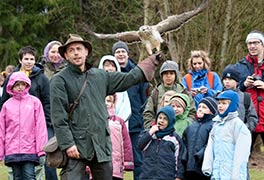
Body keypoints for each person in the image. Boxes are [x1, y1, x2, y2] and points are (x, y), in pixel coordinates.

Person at [50, 34, 161, 180]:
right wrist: (68, 144)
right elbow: (58, 117)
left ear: (86, 52)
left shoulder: (100, 76)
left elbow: (128, 78)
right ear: (65, 55)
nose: (76, 53)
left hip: (100, 144)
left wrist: (151, 62)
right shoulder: (59, 80)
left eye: (79, 49)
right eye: (71, 50)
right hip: (76, 145)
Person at [0, 45, 50, 180]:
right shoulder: (7, 104)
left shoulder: (41, 81)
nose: (29, 61)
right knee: (16, 176)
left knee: (31, 174)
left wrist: (41, 146)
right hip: (13, 146)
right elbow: (2, 127)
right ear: (20, 60)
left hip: (31, 141)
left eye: (31, 59)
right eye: (26, 58)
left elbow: (47, 104)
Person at [112, 40, 149, 180]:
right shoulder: (110, 74)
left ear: (127, 54)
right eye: (118, 52)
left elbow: (144, 99)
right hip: (113, 125)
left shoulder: (138, 74)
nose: (121, 54)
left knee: (137, 159)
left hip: (135, 124)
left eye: (123, 51)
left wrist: (141, 118)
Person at [202, 90, 251, 180]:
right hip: (217, 174)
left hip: (231, 175)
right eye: (219, 103)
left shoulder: (239, 126)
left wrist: (237, 177)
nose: (220, 106)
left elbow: (241, 156)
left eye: (224, 103)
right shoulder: (216, 124)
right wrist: (207, 167)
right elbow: (210, 147)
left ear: (232, 105)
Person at [233, 30, 264, 163]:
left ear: (262, 44)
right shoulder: (240, 66)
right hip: (248, 117)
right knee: (242, 158)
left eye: (255, 43)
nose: (252, 46)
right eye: (249, 43)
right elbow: (232, 90)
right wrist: (243, 84)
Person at [40, 40, 68, 180]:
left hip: (67, 117)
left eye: (58, 52)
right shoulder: (40, 70)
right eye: (52, 52)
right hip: (47, 119)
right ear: (47, 53)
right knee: (50, 153)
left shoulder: (68, 69)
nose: (55, 55)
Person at [143, 60, 196, 129]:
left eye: (171, 73)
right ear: (161, 75)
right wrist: (152, 127)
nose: (168, 76)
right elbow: (148, 113)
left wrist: (186, 124)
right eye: (165, 73)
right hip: (160, 129)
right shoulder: (156, 93)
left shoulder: (183, 91)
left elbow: (192, 112)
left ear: (176, 75)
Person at [137, 105, 185, 180]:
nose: (161, 121)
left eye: (165, 119)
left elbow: (179, 160)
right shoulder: (150, 134)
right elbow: (140, 145)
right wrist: (150, 133)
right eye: (160, 118)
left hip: (166, 176)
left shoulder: (174, 139)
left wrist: (178, 176)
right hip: (147, 175)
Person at [182, 97, 218, 180]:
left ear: (212, 111)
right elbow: (185, 143)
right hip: (188, 168)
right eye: (199, 107)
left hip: (203, 168)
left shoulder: (213, 126)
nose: (200, 109)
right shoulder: (191, 126)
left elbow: (210, 145)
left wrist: (199, 155)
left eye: (204, 107)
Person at [221, 64, 258, 132]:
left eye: (230, 79)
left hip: (240, 136)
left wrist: (244, 130)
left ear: (237, 81)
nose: (227, 81)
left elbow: (253, 118)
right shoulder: (217, 97)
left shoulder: (245, 97)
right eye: (225, 79)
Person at [105, 95, 134, 180]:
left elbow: (126, 143)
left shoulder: (119, 122)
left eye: (109, 101)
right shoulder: (95, 120)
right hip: (98, 167)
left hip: (116, 167)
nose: (106, 103)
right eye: (104, 101)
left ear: (114, 103)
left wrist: (127, 162)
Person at [98, 55, 132, 125]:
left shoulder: (122, 86)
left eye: (113, 65)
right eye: (107, 65)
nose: (110, 68)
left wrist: (116, 121)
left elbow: (126, 108)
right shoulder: (96, 85)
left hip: (119, 126)